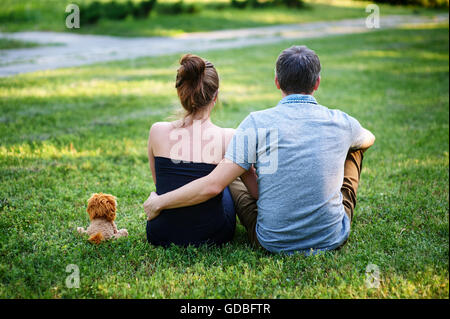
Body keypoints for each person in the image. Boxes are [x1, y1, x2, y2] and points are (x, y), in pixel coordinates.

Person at [144, 46, 375, 255]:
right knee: (355, 148)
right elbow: (369, 138)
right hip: (331, 238)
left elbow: (185, 183)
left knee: (233, 167)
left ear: (277, 81)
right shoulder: (341, 121)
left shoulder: (255, 122)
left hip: (270, 240)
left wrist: (159, 202)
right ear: (317, 83)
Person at [145, 54, 257, 247]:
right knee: (232, 175)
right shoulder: (229, 137)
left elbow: (161, 183)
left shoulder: (157, 131)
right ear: (216, 96)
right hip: (211, 235)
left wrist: (159, 202)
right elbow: (256, 192)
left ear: (181, 93)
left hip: (159, 233)